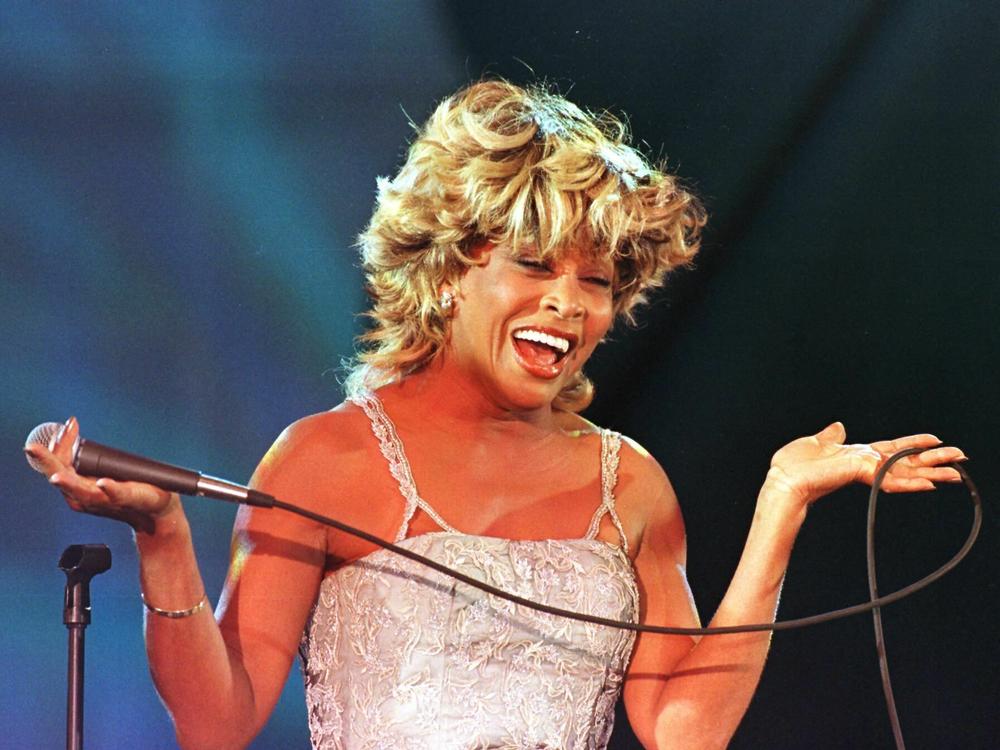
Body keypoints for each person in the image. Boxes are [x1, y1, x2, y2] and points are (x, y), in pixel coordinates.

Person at [26, 80, 966, 750]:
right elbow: (216, 722)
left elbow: (683, 732)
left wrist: (780, 508)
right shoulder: (323, 460)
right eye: (535, 266)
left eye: (596, 282)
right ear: (449, 271)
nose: (569, 303)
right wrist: (162, 536)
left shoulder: (629, 484)